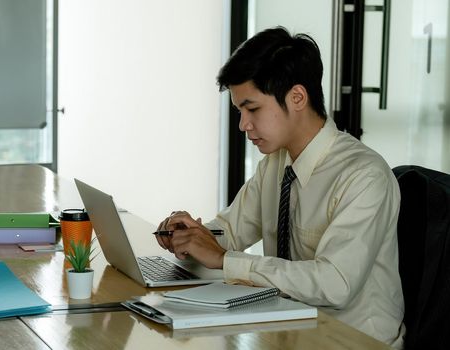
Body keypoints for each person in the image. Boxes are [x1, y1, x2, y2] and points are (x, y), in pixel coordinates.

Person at [155, 27, 404, 347]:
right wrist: (191, 235)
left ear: (297, 97)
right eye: (239, 112)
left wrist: (224, 259)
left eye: (252, 109)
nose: (244, 125)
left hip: (351, 342)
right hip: (290, 331)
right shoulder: (276, 164)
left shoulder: (364, 176)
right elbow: (230, 232)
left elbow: (335, 284)